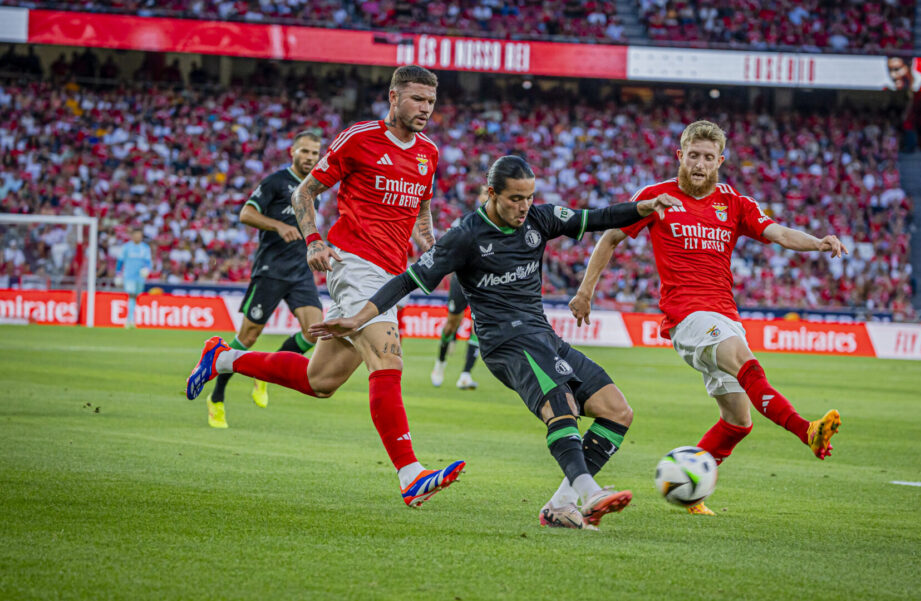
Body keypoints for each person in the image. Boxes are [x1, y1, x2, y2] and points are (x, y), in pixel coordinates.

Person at [309, 155, 683, 530]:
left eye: (529, 198)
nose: (524, 207)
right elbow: (409, 280)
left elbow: (598, 217)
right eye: (515, 199)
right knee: (560, 404)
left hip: (543, 337)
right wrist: (359, 318)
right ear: (492, 193)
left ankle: (561, 505)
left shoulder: (540, 218)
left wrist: (643, 207)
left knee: (617, 411)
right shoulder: (465, 235)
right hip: (506, 343)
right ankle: (590, 493)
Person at [186, 65, 463, 508]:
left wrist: (433, 248)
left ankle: (224, 358)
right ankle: (411, 474)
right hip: (354, 263)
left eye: (430, 102)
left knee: (321, 380)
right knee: (386, 358)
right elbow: (303, 193)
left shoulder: (428, 152)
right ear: (393, 98)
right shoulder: (358, 138)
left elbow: (422, 213)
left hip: (391, 274)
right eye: (416, 99)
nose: (424, 109)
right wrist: (314, 239)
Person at [569, 121, 845, 516]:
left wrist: (817, 242)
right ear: (680, 156)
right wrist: (584, 291)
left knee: (737, 420)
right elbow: (610, 236)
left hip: (724, 314)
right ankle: (807, 430)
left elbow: (779, 233)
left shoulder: (735, 203)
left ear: (720, 161)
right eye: (693, 155)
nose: (699, 164)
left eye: (708, 157)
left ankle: (688, 486)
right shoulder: (656, 196)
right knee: (745, 362)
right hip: (688, 317)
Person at [205, 130, 326, 429]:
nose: (310, 157)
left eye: (315, 153)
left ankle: (264, 373)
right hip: (270, 271)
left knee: (315, 332)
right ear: (292, 152)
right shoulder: (275, 182)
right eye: (305, 151)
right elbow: (246, 213)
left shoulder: (314, 188)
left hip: (300, 272)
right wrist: (277, 226)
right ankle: (216, 398)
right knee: (246, 339)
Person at [430, 186, 490, 390]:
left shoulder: (504, 225)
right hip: (462, 281)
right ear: (480, 197)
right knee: (451, 324)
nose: (487, 196)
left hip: (485, 283)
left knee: (477, 327)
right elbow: (448, 247)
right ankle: (440, 363)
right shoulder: (465, 220)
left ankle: (465, 375)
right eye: (483, 193)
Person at [115, 227, 152, 329]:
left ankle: (132, 318)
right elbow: (120, 261)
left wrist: (147, 269)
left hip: (140, 277)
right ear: (132, 236)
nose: (138, 237)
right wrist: (118, 274)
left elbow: (148, 263)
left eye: (140, 236)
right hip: (129, 276)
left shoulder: (145, 248)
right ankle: (130, 320)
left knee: (136, 296)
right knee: (131, 295)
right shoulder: (126, 247)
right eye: (136, 235)